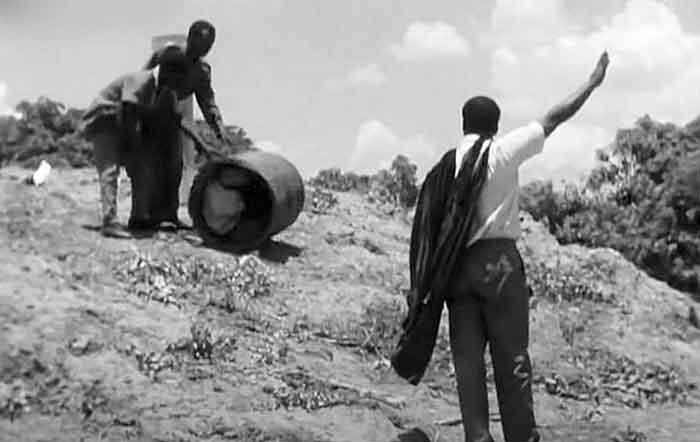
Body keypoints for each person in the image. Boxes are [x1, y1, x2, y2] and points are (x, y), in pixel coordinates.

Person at [392, 51, 610, 442]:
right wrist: (592, 83)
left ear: (463, 125)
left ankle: (478, 438)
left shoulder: (444, 167)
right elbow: (554, 117)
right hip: (499, 269)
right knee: (512, 360)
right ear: (495, 126)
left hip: (455, 274)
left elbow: (426, 227)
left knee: (467, 363)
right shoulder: (503, 152)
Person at [82, 46, 190, 238]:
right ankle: (110, 222)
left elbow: (172, 120)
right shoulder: (141, 80)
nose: (179, 84)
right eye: (178, 78)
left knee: (141, 169)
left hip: (123, 122)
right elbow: (128, 111)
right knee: (110, 170)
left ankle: (139, 218)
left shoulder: (162, 89)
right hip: (104, 120)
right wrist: (134, 144)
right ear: (167, 71)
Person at [142, 20, 229, 230]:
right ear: (191, 38)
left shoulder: (202, 70)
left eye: (210, 45)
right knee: (153, 165)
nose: (206, 49)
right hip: (152, 112)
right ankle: (146, 216)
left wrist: (220, 129)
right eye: (202, 44)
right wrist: (201, 143)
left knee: (175, 166)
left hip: (172, 117)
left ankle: (169, 215)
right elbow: (168, 105)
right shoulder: (172, 58)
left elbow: (207, 101)